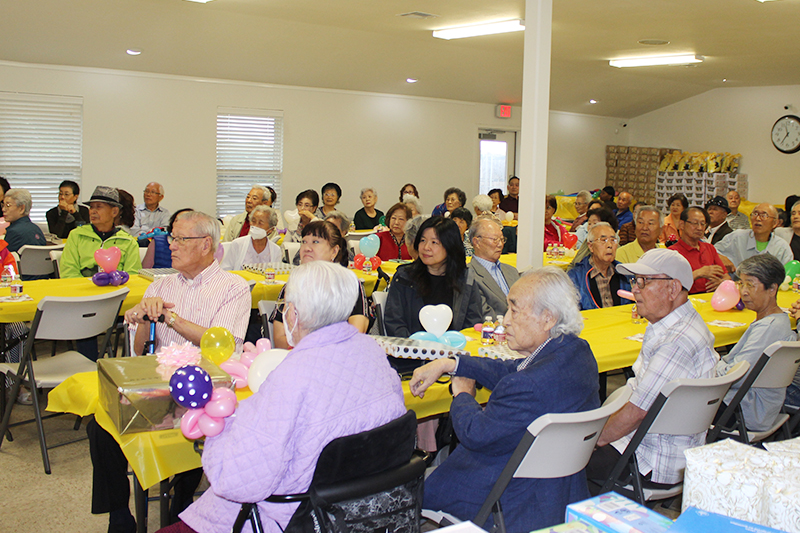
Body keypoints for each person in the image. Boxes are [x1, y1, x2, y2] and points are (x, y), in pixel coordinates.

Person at [166, 261, 405, 533]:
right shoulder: (372, 353)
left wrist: (220, 434)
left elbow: (236, 480)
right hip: (363, 507)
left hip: (299, 515)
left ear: (293, 313)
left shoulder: (292, 375)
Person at [89, 210, 251, 533]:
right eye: (171, 238)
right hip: (158, 381)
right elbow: (139, 351)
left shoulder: (234, 288)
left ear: (206, 245)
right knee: (101, 423)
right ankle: (119, 513)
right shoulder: (161, 285)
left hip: (206, 386)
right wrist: (142, 319)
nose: (170, 246)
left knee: (200, 421)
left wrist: (169, 318)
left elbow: (225, 345)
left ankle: (184, 494)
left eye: (179, 239)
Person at [412, 267, 599, 532]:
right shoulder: (577, 353)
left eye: (514, 309)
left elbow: (474, 433)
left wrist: (463, 394)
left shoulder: (528, 386)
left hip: (507, 498)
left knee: (414, 484)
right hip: (561, 491)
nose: (505, 320)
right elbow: (512, 369)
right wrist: (452, 364)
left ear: (547, 318)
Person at [587, 249, 718, 491]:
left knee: (562, 464)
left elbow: (636, 413)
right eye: (634, 281)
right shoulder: (676, 323)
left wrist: (592, 441)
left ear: (673, 288)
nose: (635, 289)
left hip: (651, 459)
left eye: (643, 282)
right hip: (659, 447)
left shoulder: (675, 341)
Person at [714, 255, 797, 432]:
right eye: (741, 284)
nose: (743, 291)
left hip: (743, 411)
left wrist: (712, 362)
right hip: (760, 407)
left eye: (750, 284)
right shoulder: (780, 322)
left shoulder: (768, 329)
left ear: (772, 289)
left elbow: (735, 376)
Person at [270, 221, 369, 349]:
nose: (307, 248)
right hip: (299, 358)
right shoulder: (293, 285)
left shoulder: (348, 284)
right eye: (304, 242)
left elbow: (356, 332)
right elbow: (279, 339)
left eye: (315, 242)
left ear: (334, 251)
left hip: (338, 358)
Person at [384, 216, 485, 338]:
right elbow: (394, 324)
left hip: (454, 352)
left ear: (450, 246)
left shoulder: (465, 280)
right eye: (422, 240)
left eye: (434, 242)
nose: (426, 247)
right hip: (411, 352)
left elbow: (472, 325)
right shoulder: (404, 277)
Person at [60, 186, 141, 279]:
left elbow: (132, 276)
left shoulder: (128, 242)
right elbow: (68, 272)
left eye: (98, 207)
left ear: (114, 212)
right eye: (91, 207)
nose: (93, 211)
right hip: (83, 290)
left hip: (116, 290)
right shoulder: (76, 235)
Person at [568, 222, 632, 310]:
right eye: (603, 240)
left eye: (613, 240)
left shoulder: (625, 273)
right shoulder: (575, 276)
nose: (610, 245)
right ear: (590, 246)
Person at [715, 202, 793, 269]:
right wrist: (721, 258)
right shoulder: (737, 237)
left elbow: (787, 276)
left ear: (775, 223)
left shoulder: (782, 247)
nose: (758, 218)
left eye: (764, 215)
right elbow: (711, 252)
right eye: (755, 214)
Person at [669, 207, 730, 294]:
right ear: (681, 224)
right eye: (695, 223)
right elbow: (670, 287)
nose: (700, 228)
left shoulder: (709, 248)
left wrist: (722, 283)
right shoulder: (672, 252)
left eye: (703, 224)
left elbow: (726, 276)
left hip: (712, 299)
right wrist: (698, 273)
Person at [468, 217, 519, 316]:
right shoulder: (469, 275)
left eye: (502, 239)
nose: (500, 244)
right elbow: (483, 315)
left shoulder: (511, 271)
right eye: (495, 240)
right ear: (477, 242)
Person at [220, 205, 281, 270]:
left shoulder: (276, 250)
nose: (255, 226)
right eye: (253, 221)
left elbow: (276, 274)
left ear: (270, 229)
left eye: (260, 223)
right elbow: (226, 270)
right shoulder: (237, 244)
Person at [2, 188, 47, 254]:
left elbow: (4, 259)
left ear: (21, 208)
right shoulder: (37, 229)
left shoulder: (13, 232)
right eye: (3, 205)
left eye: (8, 205)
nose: (3, 209)